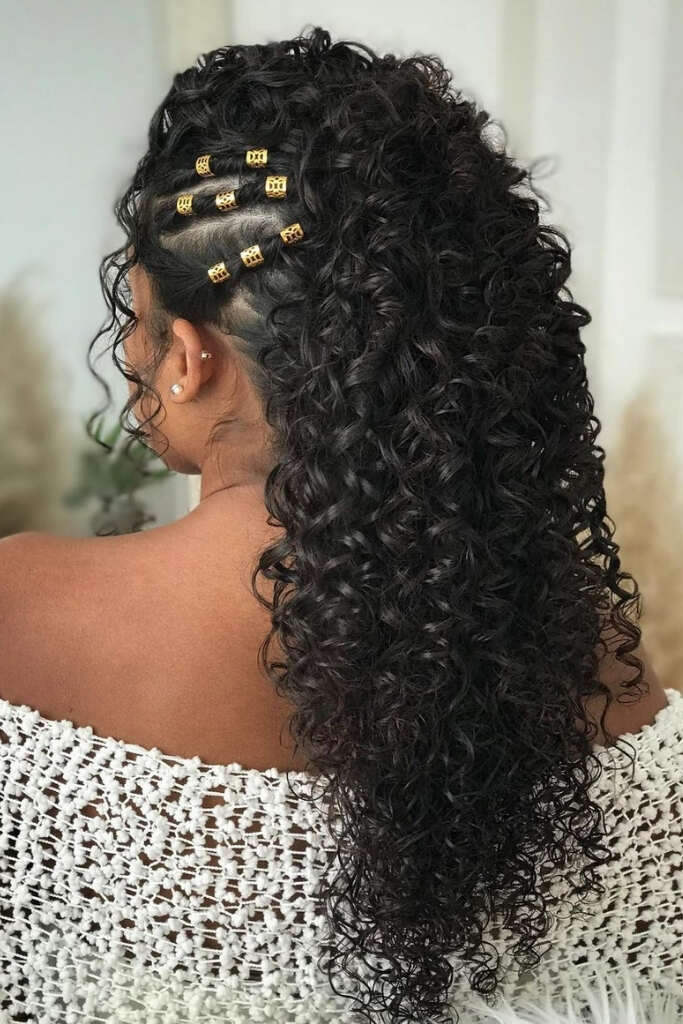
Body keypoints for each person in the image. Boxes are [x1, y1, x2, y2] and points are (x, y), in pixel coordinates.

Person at [0, 25, 681, 1024]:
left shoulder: (20, 612)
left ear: (187, 357)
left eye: (136, 323)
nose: (132, 357)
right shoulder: (589, 645)